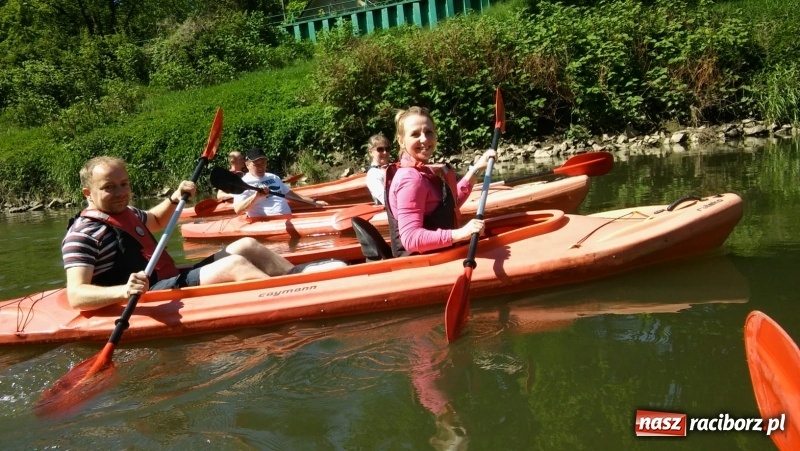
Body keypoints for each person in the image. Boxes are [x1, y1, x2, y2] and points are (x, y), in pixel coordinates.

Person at [62, 156, 297, 311]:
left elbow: (156, 220)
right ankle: (288, 303)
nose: (121, 192)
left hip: (166, 280)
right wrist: (123, 291)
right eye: (109, 187)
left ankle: (301, 280)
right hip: (145, 294)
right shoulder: (84, 234)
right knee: (234, 265)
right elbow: (76, 295)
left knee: (246, 245)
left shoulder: (127, 212)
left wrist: (175, 198)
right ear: (88, 193)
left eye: (124, 184)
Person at [385, 107, 496, 257]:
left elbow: (449, 205)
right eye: (415, 134)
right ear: (401, 141)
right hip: (424, 263)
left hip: (439, 254)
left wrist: (477, 169)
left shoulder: (421, 171)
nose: (424, 139)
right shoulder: (410, 179)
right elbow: (410, 239)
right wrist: (461, 233)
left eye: (428, 132)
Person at [233, 147, 328, 217]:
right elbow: (238, 210)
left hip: (288, 218)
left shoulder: (273, 177)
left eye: (263, 163)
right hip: (266, 223)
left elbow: (290, 194)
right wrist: (256, 196)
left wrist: (314, 201)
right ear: (247, 164)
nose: (261, 167)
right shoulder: (242, 184)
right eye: (256, 164)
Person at [365, 133, 392, 205]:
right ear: (371, 152)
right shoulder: (373, 174)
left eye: (387, 149)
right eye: (380, 149)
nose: (385, 152)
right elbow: (385, 200)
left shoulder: (391, 167)